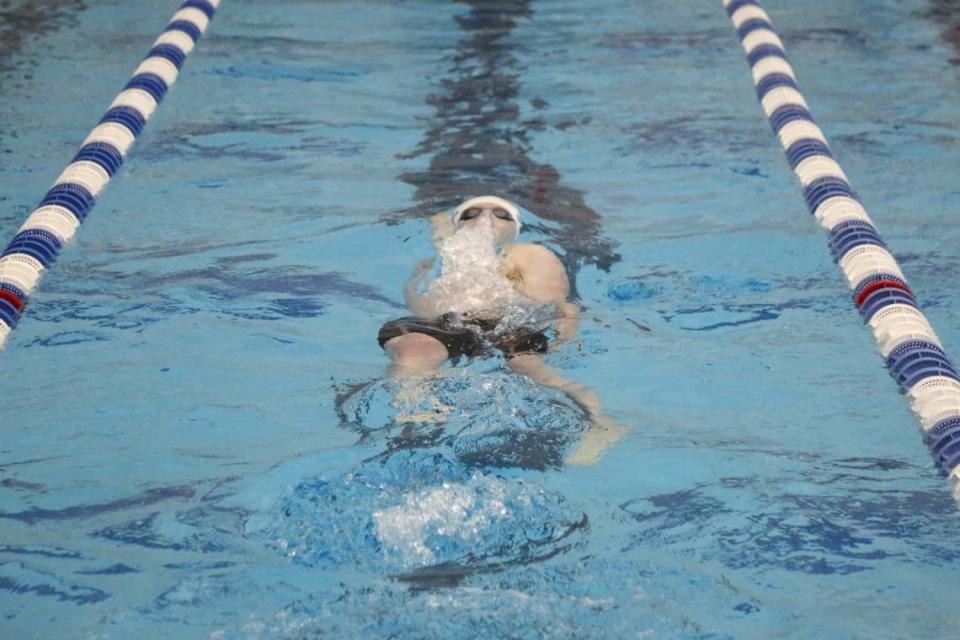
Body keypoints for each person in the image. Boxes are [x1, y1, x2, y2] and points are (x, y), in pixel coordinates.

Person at [378, 195, 625, 465]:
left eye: (501, 214)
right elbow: (424, 310)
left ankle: (600, 424)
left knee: (531, 369)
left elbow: (564, 308)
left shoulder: (531, 254)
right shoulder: (440, 261)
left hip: (506, 324)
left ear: (514, 229)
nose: (485, 219)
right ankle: (414, 413)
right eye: (471, 214)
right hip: (449, 322)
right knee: (412, 351)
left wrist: (566, 339)